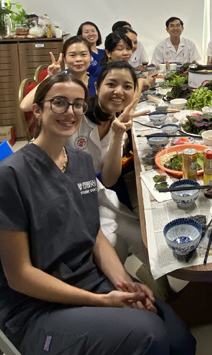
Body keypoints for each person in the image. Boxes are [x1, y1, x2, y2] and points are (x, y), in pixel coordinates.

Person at [0, 73, 196, 354]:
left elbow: (92, 233)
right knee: (150, 335)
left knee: (180, 340)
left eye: (78, 104)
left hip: (87, 278)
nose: (70, 112)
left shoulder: (80, 162)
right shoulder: (11, 176)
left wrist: (124, 285)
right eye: (59, 103)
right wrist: (103, 302)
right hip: (35, 307)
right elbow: (19, 276)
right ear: (37, 110)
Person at [68, 61, 149, 265]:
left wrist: (116, 134)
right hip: (67, 203)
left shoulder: (118, 122)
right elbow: (35, 151)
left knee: (144, 241)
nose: (119, 92)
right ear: (96, 87)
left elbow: (109, 179)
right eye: (111, 84)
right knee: (113, 246)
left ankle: (165, 292)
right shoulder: (75, 116)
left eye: (127, 87)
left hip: (97, 194)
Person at [19, 36, 92, 111]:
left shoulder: (98, 81)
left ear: (90, 56)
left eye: (83, 54)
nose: (78, 59)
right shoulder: (58, 82)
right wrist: (50, 76)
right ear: (65, 59)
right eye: (72, 55)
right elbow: (25, 106)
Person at [77, 21, 104, 90]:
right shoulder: (80, 54)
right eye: (86, 32)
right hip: (89, 89)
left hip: (105, 87)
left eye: (93, 31)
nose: (91, 34)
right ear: (80, 36)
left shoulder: (105, 52)